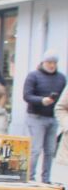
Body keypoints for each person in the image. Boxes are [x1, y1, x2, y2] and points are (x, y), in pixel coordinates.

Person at [23, 50, 65, 183]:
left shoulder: (61, 78)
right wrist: (42, 100)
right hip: (36, 116)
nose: (52, 65)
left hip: (53, 117)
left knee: (50, 150)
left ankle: (46, 179)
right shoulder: (33, 76)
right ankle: (30, 177)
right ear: (43, 62)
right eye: (49, 62)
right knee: (36, 149)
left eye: (54, 63)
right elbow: (27, 95)